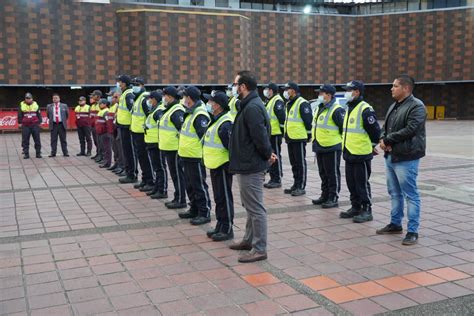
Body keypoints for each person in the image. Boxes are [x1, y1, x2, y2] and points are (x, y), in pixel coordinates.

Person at [228, 70, 276, 263]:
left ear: (243, 87)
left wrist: (267, 155)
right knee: (249, 206)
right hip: (246, 163)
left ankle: (259, 248)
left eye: (235, 84)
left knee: (256, 208)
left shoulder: (253, 107)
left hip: (252, 165)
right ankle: (249, 240)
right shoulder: (248, 105)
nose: (233, 88)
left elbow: (260, 136)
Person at [376, 75, 426, 245]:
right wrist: (383, 139)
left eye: (395, 86)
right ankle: (395, 223)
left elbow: (411, 129)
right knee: (394, 192)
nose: (392, 88)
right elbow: (385, 127)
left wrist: (388, 140)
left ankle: (413, 231)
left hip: (406, 157)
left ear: (406, 88)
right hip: (391, 155)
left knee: (410, 195)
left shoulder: (417, 106)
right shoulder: (394, 106)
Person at [339, 81, 381, 223]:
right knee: (351, 182)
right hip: (349, 152)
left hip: (361, 154)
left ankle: (366, 209)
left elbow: (375, 131)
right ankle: (355, 207)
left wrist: (372, 146)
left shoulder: (365, 109)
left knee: (362, 183)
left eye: (349, 90)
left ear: (357, 92)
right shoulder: (349, 108)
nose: (346, 93)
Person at [177, 86, 212, 225]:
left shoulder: (200, 114)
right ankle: (194, 208)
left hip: (195, 157)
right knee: (189, 185)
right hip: (186, 155)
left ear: (190, 98)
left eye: (185, 97)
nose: (183, 99)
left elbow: (204, 138)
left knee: (199, 185)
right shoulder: (190, 112)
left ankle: (204, 212)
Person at [203, 90, 234, 241]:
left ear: (219, 106)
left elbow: (231, 147)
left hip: (222, 165)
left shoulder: (225, 123)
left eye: (211, 102)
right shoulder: (216, 119)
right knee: (218, 197)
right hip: (215, 164)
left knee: (224, 197)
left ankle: (227, 228)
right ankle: (220, 224)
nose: (209, 104)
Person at [311, 84, 345, 208]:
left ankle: (333, 197)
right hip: (320, 145)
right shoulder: (320, 108)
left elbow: (343, 129)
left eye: (321, 93)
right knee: (323, 173)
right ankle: (324, 195)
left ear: (329, 95)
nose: (319, 95)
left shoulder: (337, 109)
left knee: (332, 174)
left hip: (332, 146)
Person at [282, 82, 313, 196]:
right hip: (290, 137)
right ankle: (296, 184)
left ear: (293, 91)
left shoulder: (302, 103)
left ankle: (301, 186)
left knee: (300, 163)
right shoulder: (289, 103)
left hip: (299, 138)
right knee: (294, 163)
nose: (285, 91)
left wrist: (309, 135)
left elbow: (308, 121)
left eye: (287, 89)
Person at [159, 86, 187, 209]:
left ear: (170, 97)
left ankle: (181, 199)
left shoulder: (176, 110)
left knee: (177, 175)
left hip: (175, 148)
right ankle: (177, 196)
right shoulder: (170, 109)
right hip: (169, 148)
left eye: (165, 96)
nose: (163, 98)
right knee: (174, 174)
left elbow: (181, 129)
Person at [130, 77, 154, 192]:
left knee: (145, 158)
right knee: (141, 157)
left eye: (137, 84)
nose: (134, 86)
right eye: (133, 84)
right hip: (136, 132)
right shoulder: (137, 98)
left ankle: (150, 181)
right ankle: (145, 179)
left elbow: (149, 116)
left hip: (143, 134)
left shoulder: (144, 98)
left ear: (142, 85)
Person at [144, 90, 168, 199]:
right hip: (151, 142)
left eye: (150, 99)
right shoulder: (153, 110)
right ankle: (157, 188)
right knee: (156, 167)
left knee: (160, 167)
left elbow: (161, 126)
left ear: (154, 99)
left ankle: (162, 190)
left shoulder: (159, 111)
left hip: (157, 143)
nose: (148, 101)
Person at [115, 75, 138, 184]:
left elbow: (132, 110)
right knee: (126, 151)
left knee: (129, 151)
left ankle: (132, 174)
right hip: (123, 126)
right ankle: (128, 172)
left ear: (124, 83)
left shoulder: (129, 94)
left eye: (119, 82)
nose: (118, 84)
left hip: (128, 127)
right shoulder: (125, 94)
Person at [263, 83, 286, 189]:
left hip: (275, 134)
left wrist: (281, 131)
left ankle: (277, 179)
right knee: (271, 156)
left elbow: (282, 119)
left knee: (275, 156)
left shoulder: (277, 101)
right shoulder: (270, 101)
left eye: (267, 89)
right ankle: (273, 178)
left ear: (271, 90)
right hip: (270, 133)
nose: (266, 91)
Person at [18, 92, 42, 159]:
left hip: (35, 125)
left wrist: (40, 122)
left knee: (37, 139)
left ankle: (38, 153)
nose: (28, 99)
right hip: (25, 125)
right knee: (25, 140)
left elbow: (39, 113)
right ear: (25, 99)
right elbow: (19, 114)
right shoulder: (22, 104)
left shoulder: (35, 104)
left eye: (29, 98)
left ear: (32, 98)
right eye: (26, 98)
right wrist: (19, 122)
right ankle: (26, 154)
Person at [107, 91, 123, 173]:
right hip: (112, 130)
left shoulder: (117, 105)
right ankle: (117, 163)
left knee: (120, 149)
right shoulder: (111, 106)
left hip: (117, 129)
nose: (111, 98)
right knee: (115, 148)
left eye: (114, 97)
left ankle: (121, 165)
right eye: (111, 97)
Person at [95, 99, 113, 168]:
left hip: (105, 133)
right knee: (103, 147)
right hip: (100, 132)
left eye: (101, 103)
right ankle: (105, 161)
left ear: (105, 104)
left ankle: (107, 163)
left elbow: (108, 123)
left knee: (107, 148)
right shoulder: (101, 111)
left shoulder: (106, 111)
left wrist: (108, 133)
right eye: (99, 103)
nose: (99, 105)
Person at [89, 90, 102, 160]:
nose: (92, 97)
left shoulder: (101, 104)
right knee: (96, 141)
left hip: (99, 126)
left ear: (98, 96)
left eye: (94, 95)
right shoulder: (93, 105)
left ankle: (101, 155)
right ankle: (98, 153)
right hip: (93, 126)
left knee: (100, 142)